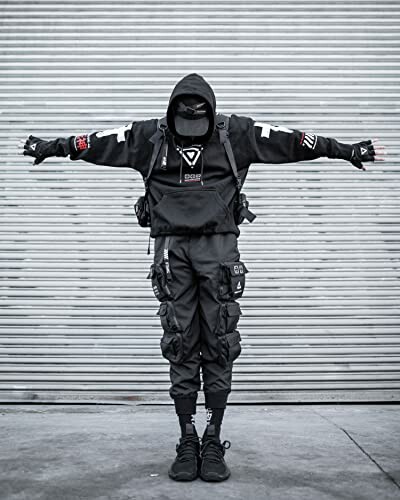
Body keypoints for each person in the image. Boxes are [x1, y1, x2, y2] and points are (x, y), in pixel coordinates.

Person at [21, 73, 385, 483]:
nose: (192, 135)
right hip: (172, 252)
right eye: (184, 127)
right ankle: (187, 436)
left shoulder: (238, 134)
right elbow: (97, 142)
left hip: (219, 252)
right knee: (180, 342)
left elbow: (294, 141)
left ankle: (213, 436)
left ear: (211, 115)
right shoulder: (149, 137)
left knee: (219, 341)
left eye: (199, 127)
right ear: (171, 115)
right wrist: (51, 147)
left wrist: (346, 150)